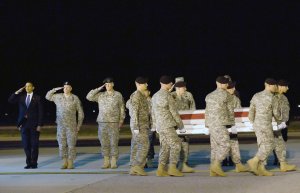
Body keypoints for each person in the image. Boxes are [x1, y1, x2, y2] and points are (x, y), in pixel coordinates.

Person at [86, 77, 125, 169]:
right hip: (102, 122)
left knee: (114, 142)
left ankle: (114, 161)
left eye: (109, 84)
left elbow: (122, 108)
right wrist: (99, 88)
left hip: (114, 122)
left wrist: (121, 120)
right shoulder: (100, 95)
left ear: (113, 84)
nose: (107, 86)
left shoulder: (118, 95)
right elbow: (89, 97)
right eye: (106, 85)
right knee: (104, 142)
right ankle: (106, 160)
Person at [45, 81, 84, 169]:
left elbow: (80, 112)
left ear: (71, 88)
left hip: (72, 126)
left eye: (68, 87)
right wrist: (55, 89)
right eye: (64, 87)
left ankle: (71, 162)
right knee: (62, 145)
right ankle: (64, 161)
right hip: (61, 125)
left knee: (71, 144)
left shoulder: (75, 98)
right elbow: (47, 96)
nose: (66, 89)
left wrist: (79, 125)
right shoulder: (58, 97)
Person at [152, 75, 185, 177]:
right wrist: (180, 125)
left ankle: (161, 169)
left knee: (165, 147)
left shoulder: (155, 96)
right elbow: (173, 111)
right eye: (171, 83)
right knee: (176, 145)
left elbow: (152, 112)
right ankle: (172, 168)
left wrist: (155, 125)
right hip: (168, 124)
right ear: (169, 84)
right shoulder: (167, 96)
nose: (171, 85)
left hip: (160, 126)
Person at [247, 78, 281, 176]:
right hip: (265, 124)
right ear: (268, 85)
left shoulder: (256, 95)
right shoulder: (273, 97)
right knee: (270, 144)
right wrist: (281, 120)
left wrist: (254, 122)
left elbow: (251, 112)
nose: (275, 87)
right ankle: (254, 160)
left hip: (257, 124)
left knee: (262, 145)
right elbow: (276, 114)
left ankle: (261, 168)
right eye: (274, 85)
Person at [8, 82, 44, 169]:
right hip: (23, 125)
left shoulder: (38, 98)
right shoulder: (21, 97)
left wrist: (40, 124)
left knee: (34, 145)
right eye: (26, 86)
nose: (27, 87)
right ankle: (28, 163)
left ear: (33, 87)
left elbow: (41, 112)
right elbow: (10, 100)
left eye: (29, 86)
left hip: (34, 125)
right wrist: (17, 92)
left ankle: (34, 163)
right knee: (26, 145)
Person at [205, 76, 232, 177]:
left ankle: (214, 170)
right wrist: (231, 124)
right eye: (225, 83)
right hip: (220, 124)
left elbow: (207, 112)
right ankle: (216, 165)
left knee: (215, 147)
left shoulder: (209, 96)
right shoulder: (227, 95)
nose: (227, 85)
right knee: (226, 145)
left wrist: (207, 125)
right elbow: (230, 111)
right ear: (220, 84)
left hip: (211, 124)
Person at [126, 77, 150, 176]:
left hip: (142, 124)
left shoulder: (141, 95)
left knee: (136, 146)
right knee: (145, 145)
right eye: (145, 83)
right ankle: (138, 166)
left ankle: (133, 168)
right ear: (138, 84)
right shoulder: (136, 96)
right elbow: (133, 112)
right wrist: (135, 126)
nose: (147, 85)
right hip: (139, 125)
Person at [171, 77, 195, 173]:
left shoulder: (188, 95)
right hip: (174, 124)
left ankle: (184, 162)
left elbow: (193, 108)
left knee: (185, 142)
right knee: (175, 144)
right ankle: (174, 163)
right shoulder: (171, 96)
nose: (184, 87)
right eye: (181, 85)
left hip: (185, 124)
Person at [271, 80, 296, 172]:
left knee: (282, 140)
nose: (288, 88)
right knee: (275, 142)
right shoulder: (273, 96)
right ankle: (277, 159)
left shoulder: (283, 97)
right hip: (276, 124)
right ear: (280, 86)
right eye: (286, 86)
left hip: (283, 124)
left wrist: (286, 122)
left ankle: (280, 160)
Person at [226, 81, 248, 172]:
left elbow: (238, 114)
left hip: (232, 126)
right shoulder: (219, 99)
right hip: (222, 126)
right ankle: (217, 165)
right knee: (221, 146)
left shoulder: (235, 99)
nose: (234, 89)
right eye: (231, 88)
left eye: (234, 87)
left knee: (234, 144)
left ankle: (238, 164)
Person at [143, 89, 156, 168]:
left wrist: (155, 125)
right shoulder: (139, 100)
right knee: (142, 143)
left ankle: (150, 159)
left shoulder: (153, 101)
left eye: (146, 91)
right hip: (142, 126)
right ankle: (143, 160)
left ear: (149, 92)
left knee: (150, 143)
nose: (144, 93)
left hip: (151, 125)